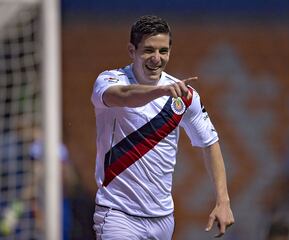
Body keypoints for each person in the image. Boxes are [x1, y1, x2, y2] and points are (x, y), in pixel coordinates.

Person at [91, 15, 234, 239]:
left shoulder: (184, 96)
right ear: (132, 51)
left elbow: (210, 142)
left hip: (163, 220)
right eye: (148, 50)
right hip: (118, 215)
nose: (156, 59)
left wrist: (223, 201)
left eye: (163, 51)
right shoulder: (110, 80)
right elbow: (126, 97)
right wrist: (162, 91)